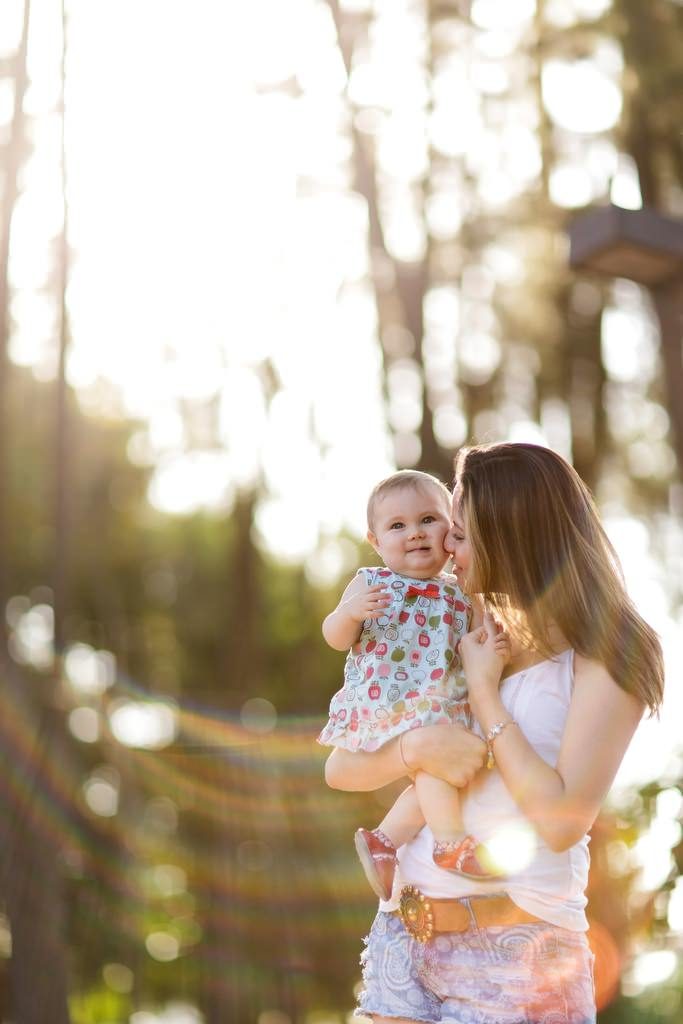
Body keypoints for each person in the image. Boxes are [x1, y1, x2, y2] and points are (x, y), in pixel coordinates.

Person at [324, 442, 664, 1024]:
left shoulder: (606, 656)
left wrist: (484, 693)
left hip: (517, 958)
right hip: (406, 941)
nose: (443, 547)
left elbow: (561, 822)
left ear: (511, 535)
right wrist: (417, 747)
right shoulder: (466, 632)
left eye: (459, 532)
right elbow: (340, 768)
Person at [318, 470, 510, 901]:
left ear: (451, 529)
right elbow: (334, 635)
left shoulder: (462, 592)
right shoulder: (372, 582)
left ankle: (384, 840)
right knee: (437, 766)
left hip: (440, 707)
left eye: (428, 519)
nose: (415, 534)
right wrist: (350, 615)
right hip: (387, 699)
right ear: (375, 540)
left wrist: (492, 641)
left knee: (435, 769)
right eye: (397, 526)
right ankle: (450, 844)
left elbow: (481, 638)